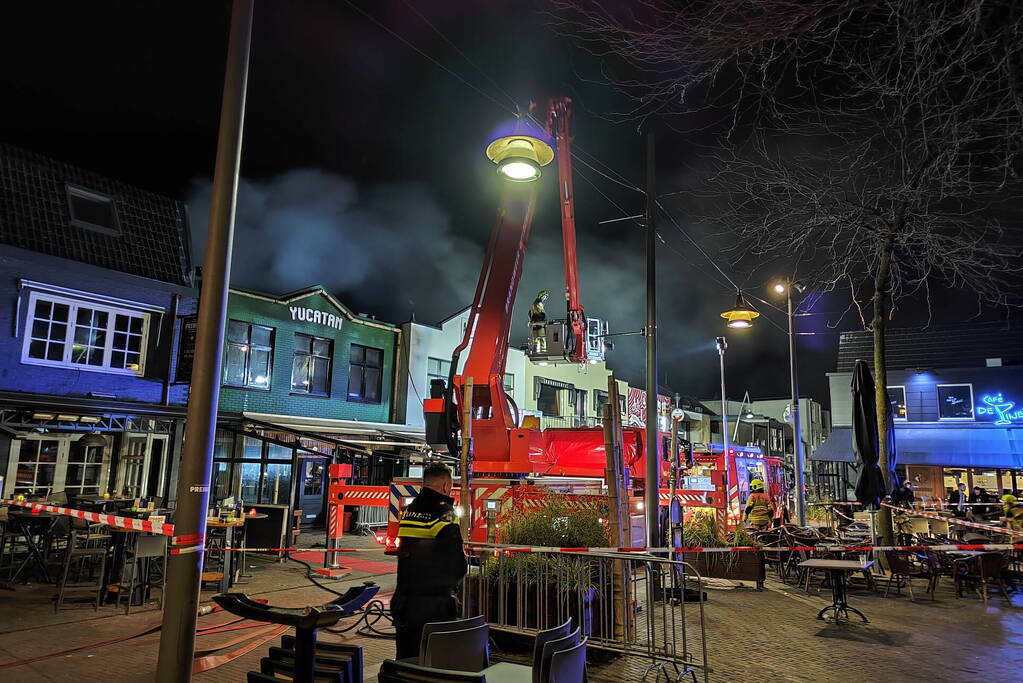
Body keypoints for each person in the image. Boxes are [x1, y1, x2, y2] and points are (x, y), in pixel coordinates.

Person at [391, 464, 467, 661]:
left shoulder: (410, 510)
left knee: (406, 658)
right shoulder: (445, 513)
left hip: (405, 600)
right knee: (433, 660)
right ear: (444, 485)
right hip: (434, 605)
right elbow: (455, 561)